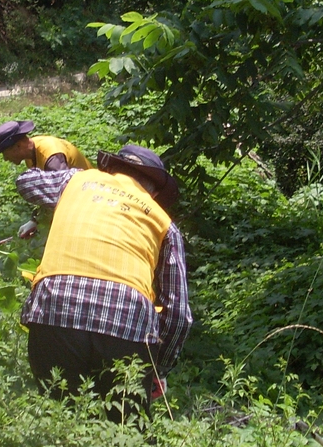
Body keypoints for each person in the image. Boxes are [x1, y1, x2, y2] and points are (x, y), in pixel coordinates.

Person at [16, 144, 192, 422]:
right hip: (127, 324)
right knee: (123, 429)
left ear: (110, 168)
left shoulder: (76, 180)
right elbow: (179, 315)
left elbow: (25, 182)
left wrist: (70, 178)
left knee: (60, 418)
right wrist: (159, 369)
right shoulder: (164, 223)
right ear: (154, 192)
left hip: (53, 310)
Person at [0, 120, 91, 238]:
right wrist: (35, 220)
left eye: (5, 153)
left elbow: (63, 197)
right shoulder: (31, 153)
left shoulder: (52, 157)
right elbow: (48, 190)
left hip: (88, 199)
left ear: (18, 146)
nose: (5, 159)